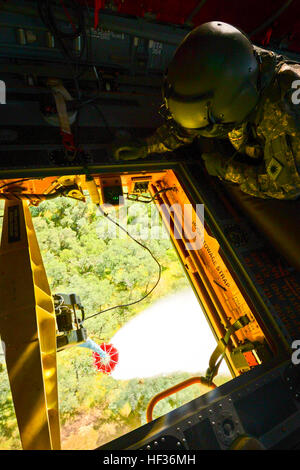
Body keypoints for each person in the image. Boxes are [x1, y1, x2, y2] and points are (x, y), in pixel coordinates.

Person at [113, 21, 300, 200]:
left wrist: (228, 170)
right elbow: (196, 121)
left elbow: (287, 187)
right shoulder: (236, 59)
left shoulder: (281, 117)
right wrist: (147, 146)